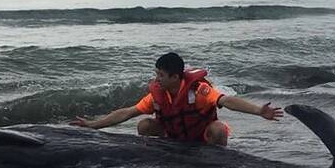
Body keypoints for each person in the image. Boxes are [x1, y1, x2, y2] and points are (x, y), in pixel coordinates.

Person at [70, 52, 283, 146]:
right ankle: (166, 155)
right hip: (174, 138)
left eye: (160, 75)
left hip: (203, 138)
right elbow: (127, 112)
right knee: (144, 124)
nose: (156, 79)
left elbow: (227, 101)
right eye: (156, 74)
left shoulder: (199, 90)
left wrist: (258, 111)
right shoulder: (158, 94)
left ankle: (218, 161)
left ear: (175, 76)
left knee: (219, 128)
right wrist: (93, 125)